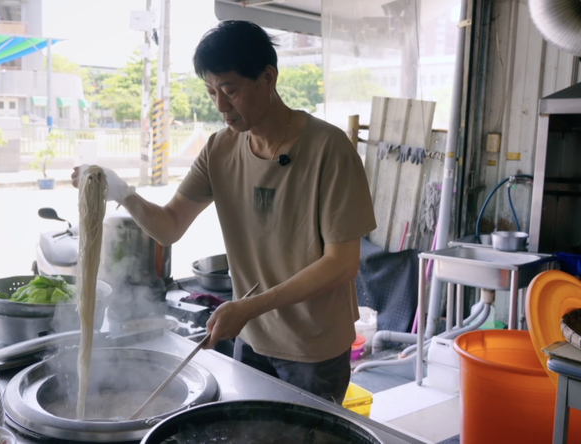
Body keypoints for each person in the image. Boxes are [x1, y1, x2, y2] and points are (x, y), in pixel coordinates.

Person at [72, 20, 376, 405]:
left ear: (268, 78)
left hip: (313, 349)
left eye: (230, 90)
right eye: (211, 91)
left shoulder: (328, 149)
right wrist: (122, 192)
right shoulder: (220, 149)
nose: (220, 105)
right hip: (251, 337)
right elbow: (169, 227)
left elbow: (342, 263)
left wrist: (248, 307)